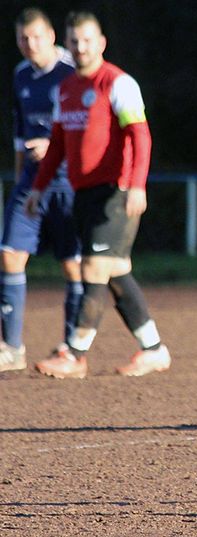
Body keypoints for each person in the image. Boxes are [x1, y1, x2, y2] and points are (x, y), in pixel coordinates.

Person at [26, 11, 169, 379]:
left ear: (101, 42)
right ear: (67, 44)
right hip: (84, 192)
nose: (81, 47)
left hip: (115, 191)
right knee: (117, 272)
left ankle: (74, 354)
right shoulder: (66, 89)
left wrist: (137, 184)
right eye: (74, 41)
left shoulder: (118, 83)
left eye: (87, 40)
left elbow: (141, 136)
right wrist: (38, 188)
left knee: (93, 267)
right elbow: (57, 145)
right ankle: (153, 349)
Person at [0, 8, 83, 373]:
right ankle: (11, 348)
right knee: (10, 255)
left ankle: (71, 348)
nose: (29, 44)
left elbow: (88, 131)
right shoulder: (20, 75)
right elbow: (20, 136)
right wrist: (21, 181)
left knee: (73, 265)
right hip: (31, 182)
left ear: (51, 35)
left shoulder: (74, 71)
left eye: (35, 36)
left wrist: (55, 146)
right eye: (22, 38)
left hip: (69, 180)